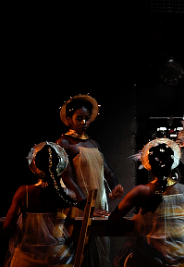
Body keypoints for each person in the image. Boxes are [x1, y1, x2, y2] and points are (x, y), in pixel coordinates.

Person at [108, 138, 184, 267]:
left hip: (150, 260)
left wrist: (139, 223)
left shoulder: (141, 192)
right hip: (182, 261)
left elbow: (113, 221)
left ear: (149, 165)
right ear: (172, 163)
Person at [56, 94, 124, 267]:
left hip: (98, 202)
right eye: (79, 118)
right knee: (79, 247)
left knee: (99, 246)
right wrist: (86, 208)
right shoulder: (63, 143)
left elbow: (106, 169)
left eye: (87, 119)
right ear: (69, 119)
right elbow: (68, 178)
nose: (84, 123)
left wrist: (115, 185)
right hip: (79, 204)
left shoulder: (93, 143)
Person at [3, 142, 77, 267]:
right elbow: (70, 233)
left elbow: (6, 229)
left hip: (26, 259)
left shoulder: (24, 193)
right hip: (58, 259)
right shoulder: (69, 195)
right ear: (60, 165)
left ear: (35, 165)